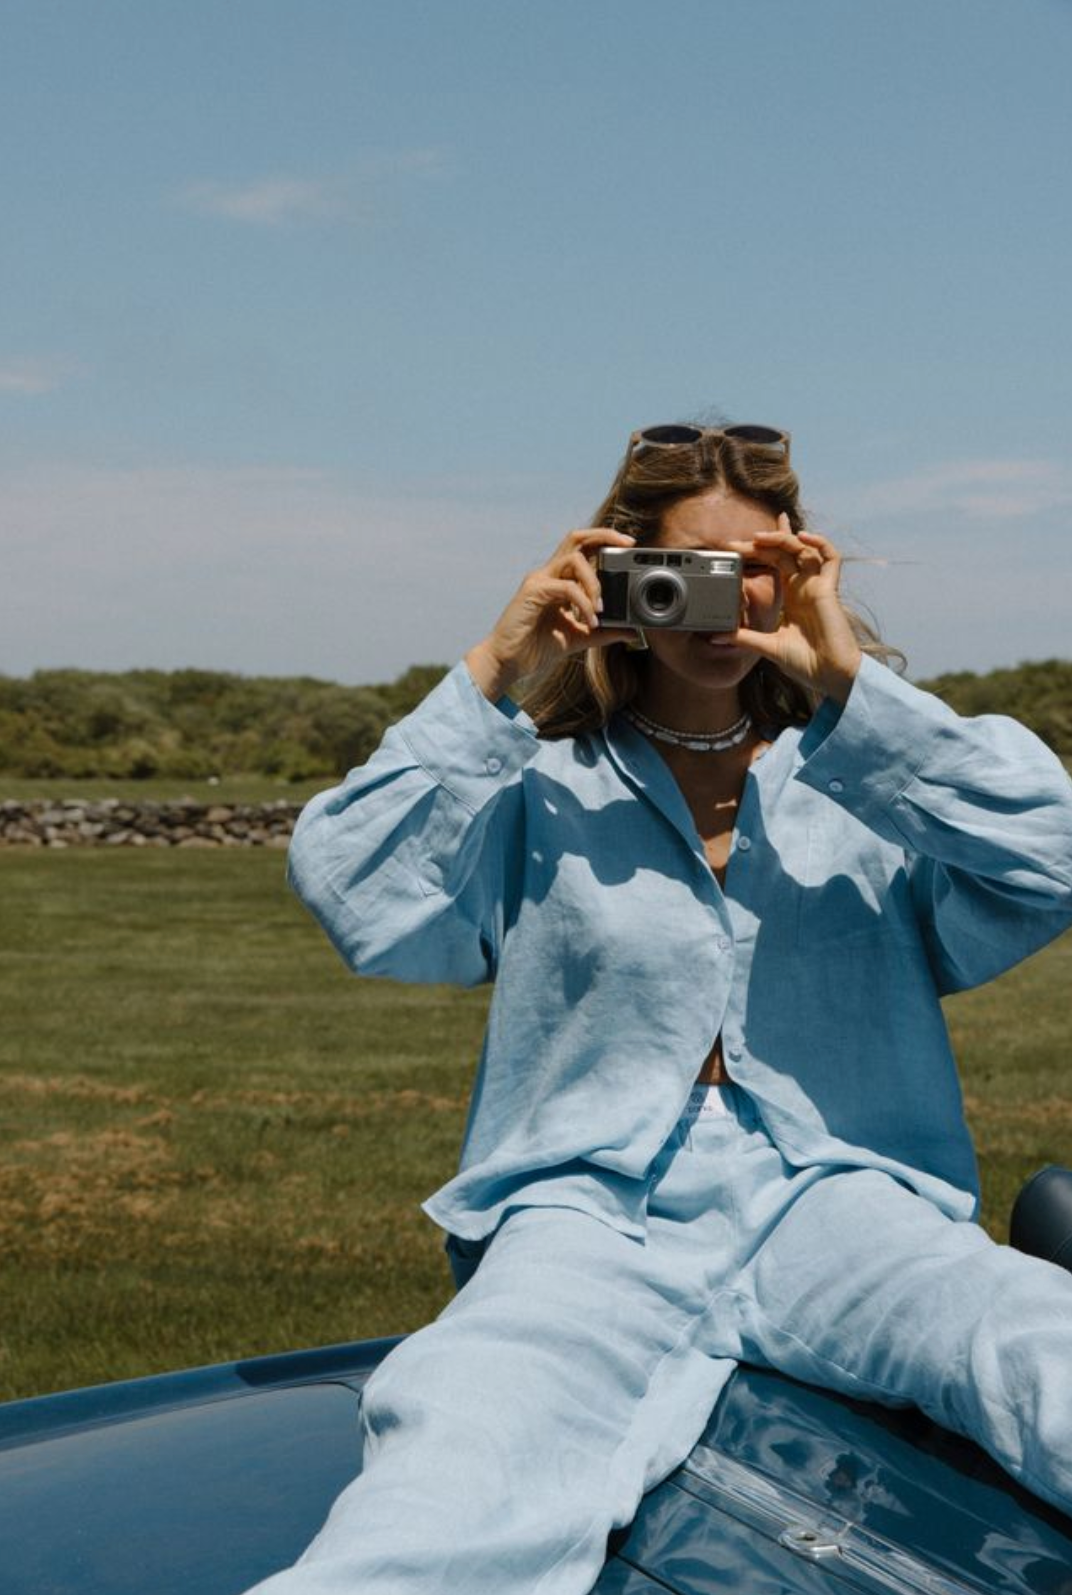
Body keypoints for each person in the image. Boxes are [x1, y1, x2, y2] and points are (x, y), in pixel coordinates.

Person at [250, 423, 1072, 1595]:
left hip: (837, 1194)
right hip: (590, 1209)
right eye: (683, 573)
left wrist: (850, 684)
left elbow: (1052, 852)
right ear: (617, 577)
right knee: (455, 1459)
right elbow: (357, 894)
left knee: (1033, 1342)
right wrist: (498, 663)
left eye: (754, 572)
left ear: (795, 573)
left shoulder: (868, 776)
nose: (716, 606)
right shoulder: (540, 783)